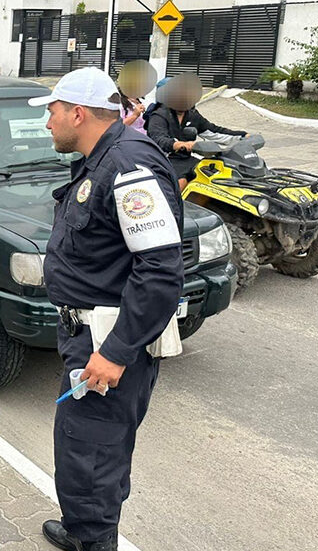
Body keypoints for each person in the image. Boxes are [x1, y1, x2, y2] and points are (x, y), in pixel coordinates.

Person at [29, 68, 184, 551]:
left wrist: (115, 353)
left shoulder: (127, 168)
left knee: (89, 458)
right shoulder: (101, 159)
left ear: (77, 112)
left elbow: (159, 270)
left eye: (52, 112)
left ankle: (92, 539)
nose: (48, 123)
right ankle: (82, 529)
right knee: (89, 449)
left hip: (106, 341)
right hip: (89, 335)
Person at [146, 74, 247, 190]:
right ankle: (173, 206)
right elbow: (159, 139)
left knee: (214, 172)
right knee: (181, 181)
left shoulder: (192, 115)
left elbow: (214, 131)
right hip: (162, 160)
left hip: (184, 159)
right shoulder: (158, 116)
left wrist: (243, 136)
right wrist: (180, 144)